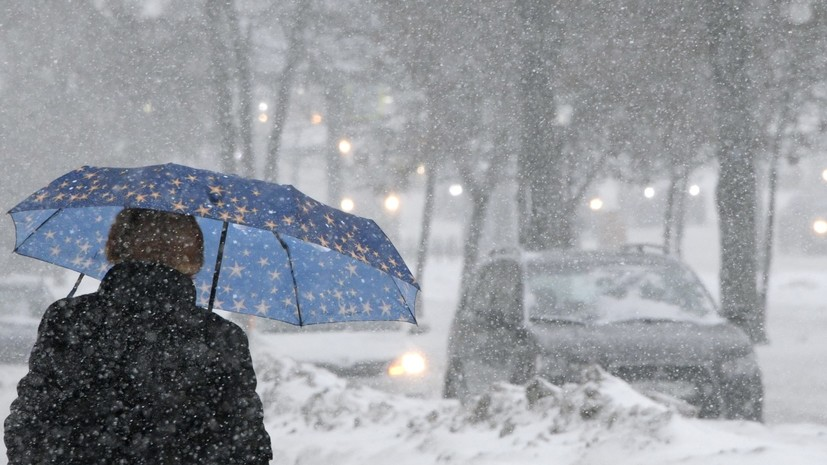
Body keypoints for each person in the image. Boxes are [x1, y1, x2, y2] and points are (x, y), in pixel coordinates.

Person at [5, 208, 273, 464]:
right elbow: (247, 446)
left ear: (115, 246)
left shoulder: (68, 318)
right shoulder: (220, 337)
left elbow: (30, 420)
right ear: (193, 258)